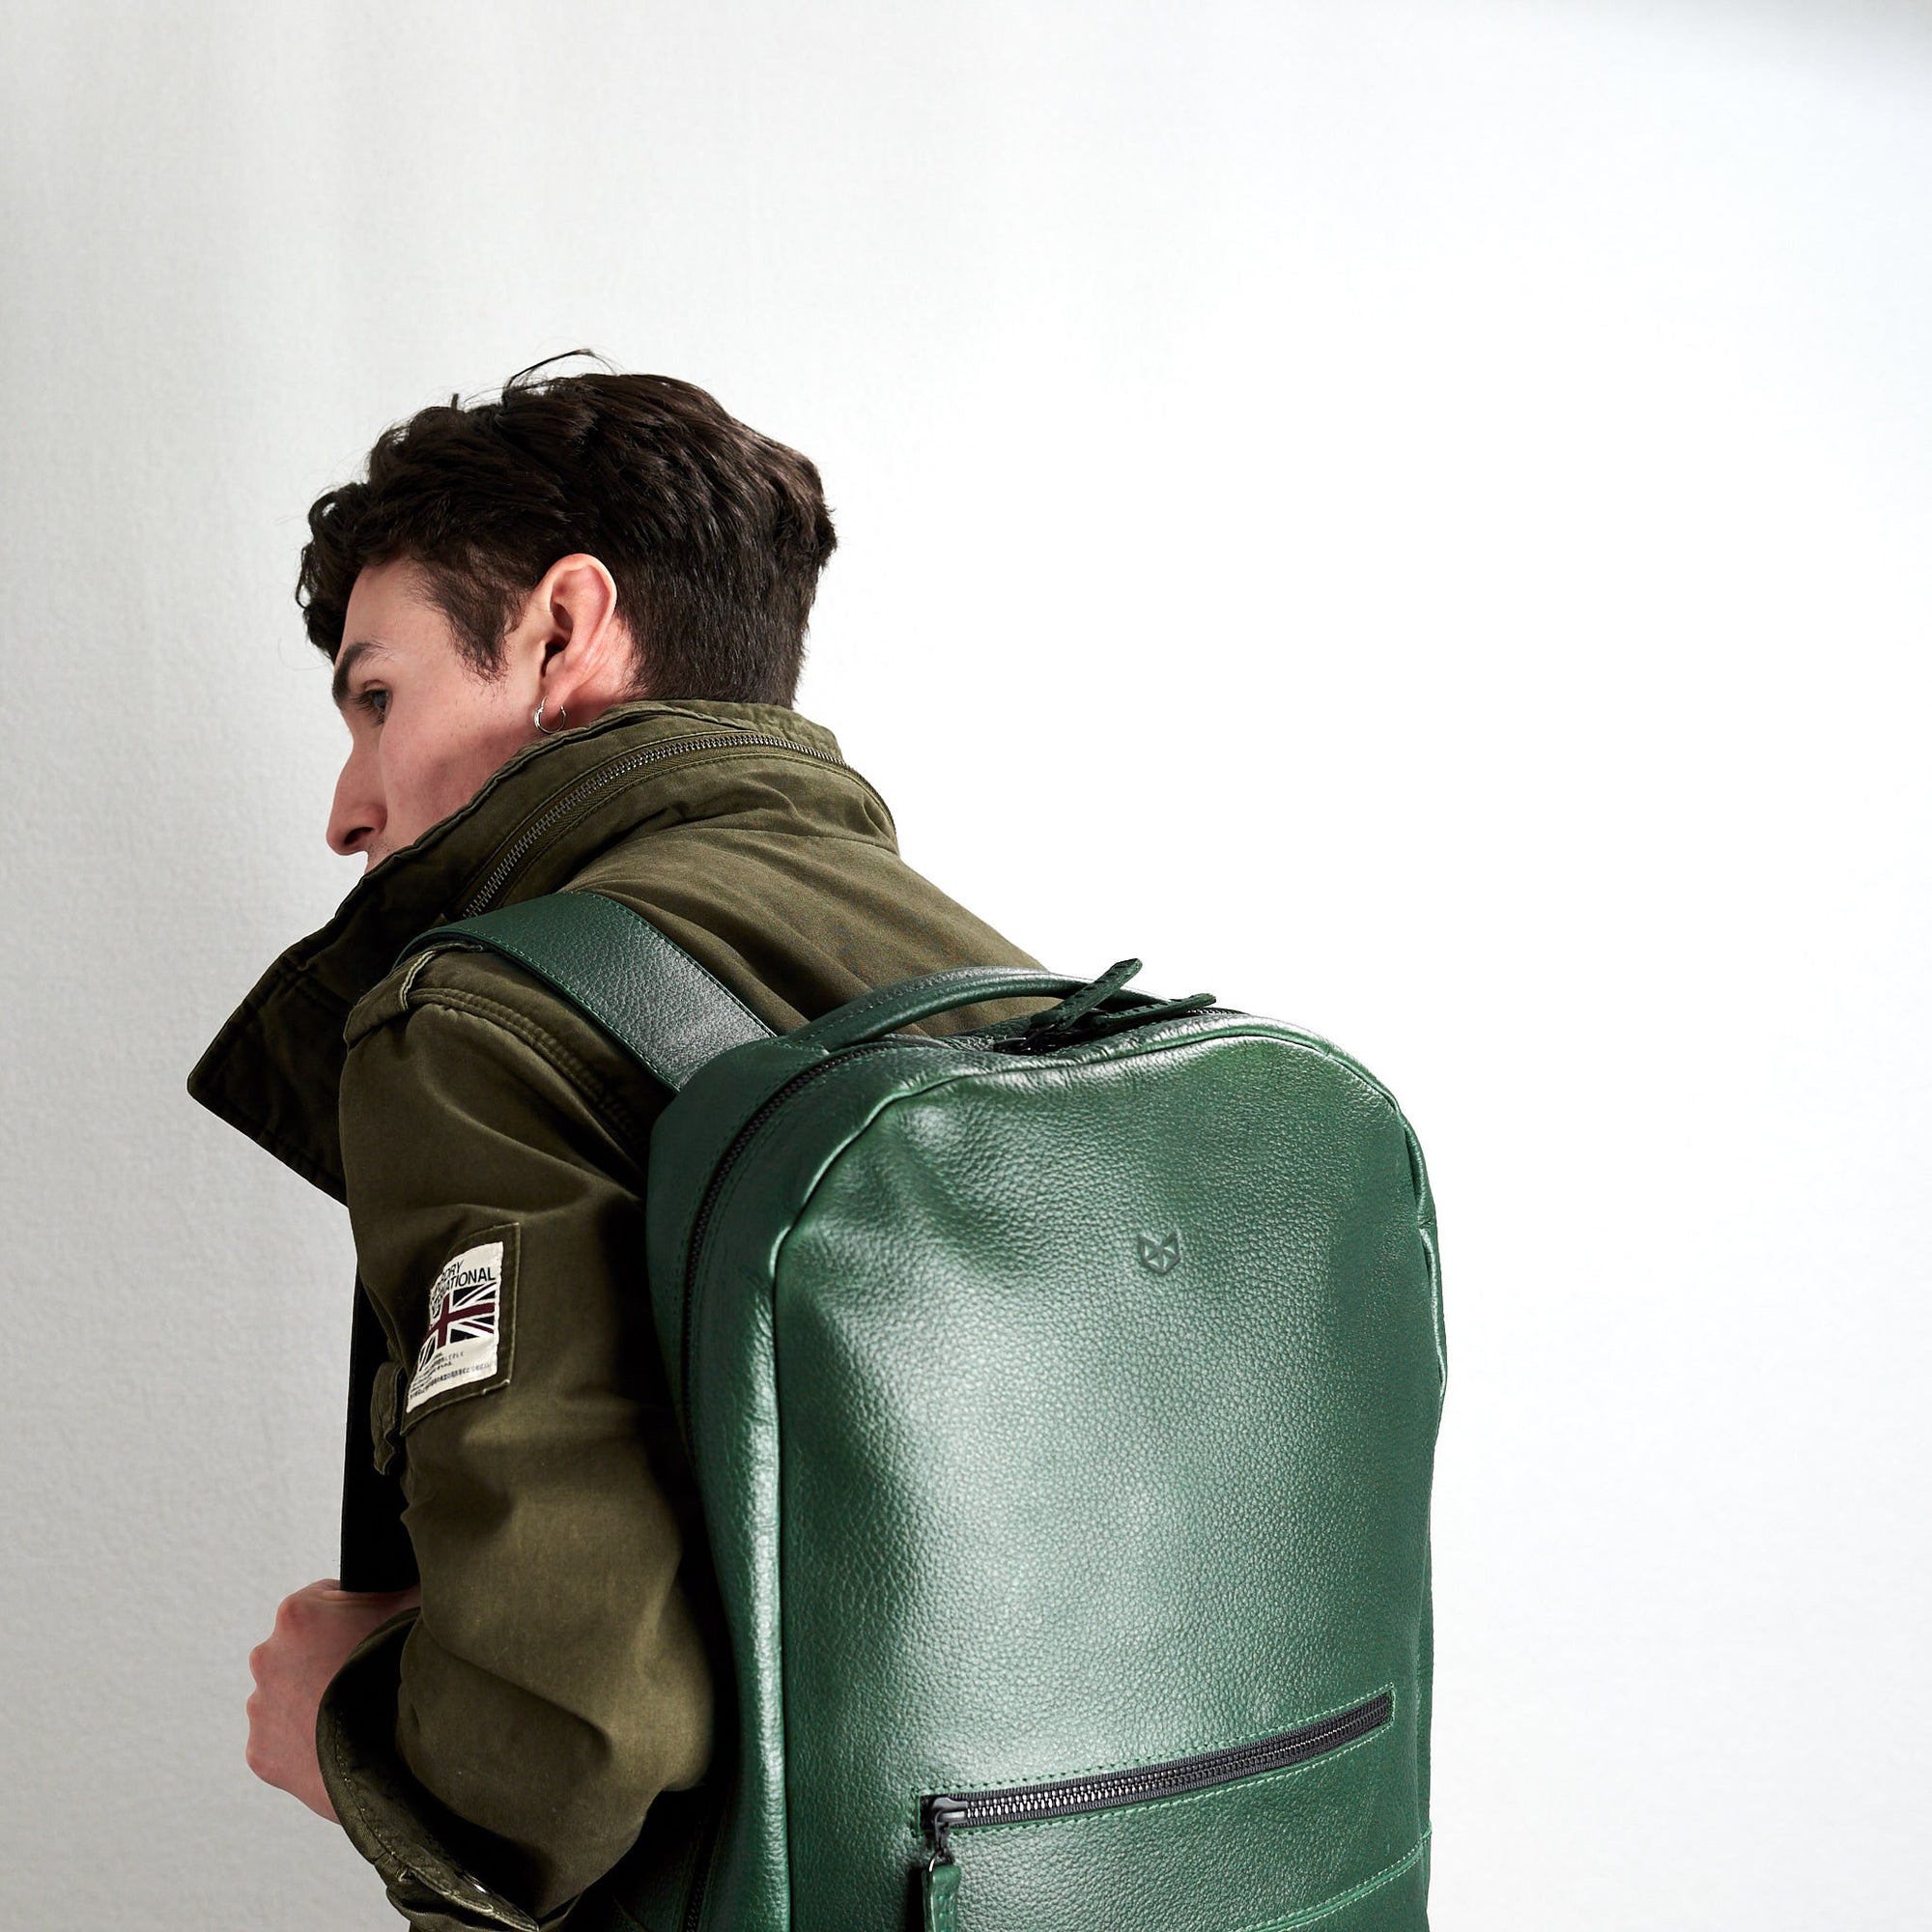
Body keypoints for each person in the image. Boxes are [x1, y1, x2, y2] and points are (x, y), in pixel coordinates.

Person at [187, 360, 1044, 1929]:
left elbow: (567, 1740)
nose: (345, 806)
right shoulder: (989, 972)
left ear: (564, 633)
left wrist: (339, 1726)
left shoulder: (488, 1015)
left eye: (379, 696)